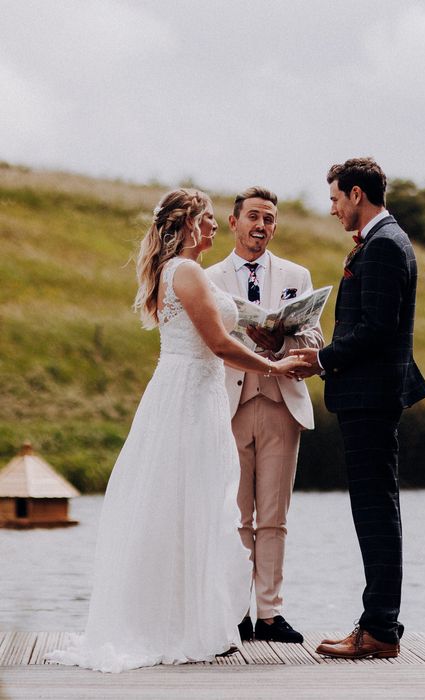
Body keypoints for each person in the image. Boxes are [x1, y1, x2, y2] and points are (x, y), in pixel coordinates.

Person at [47, 189, 308, 673]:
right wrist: (279, 365)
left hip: (194, 393)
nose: (212, 227)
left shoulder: (178, 272)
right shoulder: (186, 272)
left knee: (195, 504)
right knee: (192, 503)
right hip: (189, 395)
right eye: (206, 220)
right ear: (187, 225)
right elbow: (220, 345)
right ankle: (183, 626)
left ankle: (196, 619)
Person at [291, 157, 425, 659]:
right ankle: (379, 626)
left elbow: (377, 328)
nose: (331, 209)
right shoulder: (383, 243)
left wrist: (322, 358)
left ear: (355, 194)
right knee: (376, 510)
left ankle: (379, 630)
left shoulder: (385, 247)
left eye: (333, 199)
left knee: (375, 512)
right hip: (368, 395)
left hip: (370, 398)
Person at [206, 187, 323, 644]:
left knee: (274, 517)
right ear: (233, 222)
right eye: (253, 217)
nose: (261, 226)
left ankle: (270, 614)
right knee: (235, 515)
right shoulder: (207, 276)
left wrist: (285, 342)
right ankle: (236, 612)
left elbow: (313, 337)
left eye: (269, 219)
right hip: (227, 405)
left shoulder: (296, 274)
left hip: (281, 403)